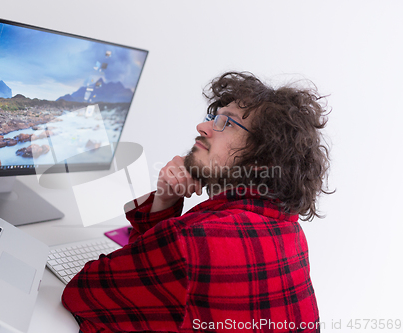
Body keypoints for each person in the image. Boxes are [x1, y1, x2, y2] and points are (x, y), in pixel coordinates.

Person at [62, 71, 331, 332]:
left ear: (263, 160)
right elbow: (155, 287)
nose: (202, 127)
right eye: (213, 117)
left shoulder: (193, 240)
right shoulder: (290, 233)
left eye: (226, 122)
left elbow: (80, 295)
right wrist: (166, 198)